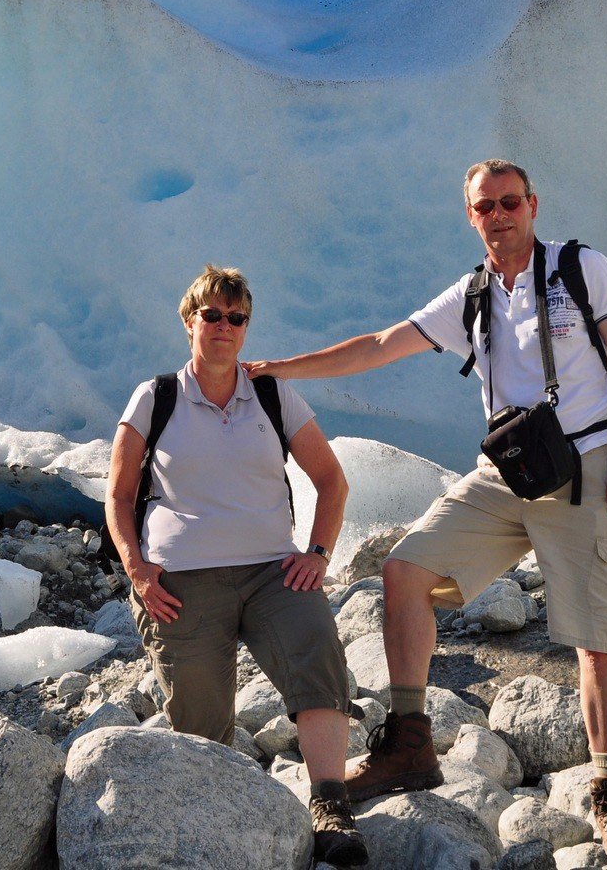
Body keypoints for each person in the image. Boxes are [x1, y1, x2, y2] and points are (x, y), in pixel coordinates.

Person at [247, 159, 607, 863]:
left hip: (587, 469)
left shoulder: (579, 269)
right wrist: (279, 369)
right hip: (509, 472)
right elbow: (380, 346)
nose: (498, 215)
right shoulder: (472, 295)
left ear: (532, 205)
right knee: (405, 570)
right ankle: (411, 746)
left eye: (509, 202)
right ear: (471, 215)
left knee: (596, 641)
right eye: (484, 206)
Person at [104, 265, 367, 866]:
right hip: (180, 581)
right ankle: (219, 820)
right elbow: (118, 495)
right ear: (189, 321)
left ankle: (331, 804)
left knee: (316, 657)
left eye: (237, 317)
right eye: (213, 315)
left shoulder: (272, 394)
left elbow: (331, 480)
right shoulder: (156, 397)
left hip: (273, 573)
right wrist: (138, 571)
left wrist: (318, 554)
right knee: (201, 725)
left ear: (246, 328)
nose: (224, 326)